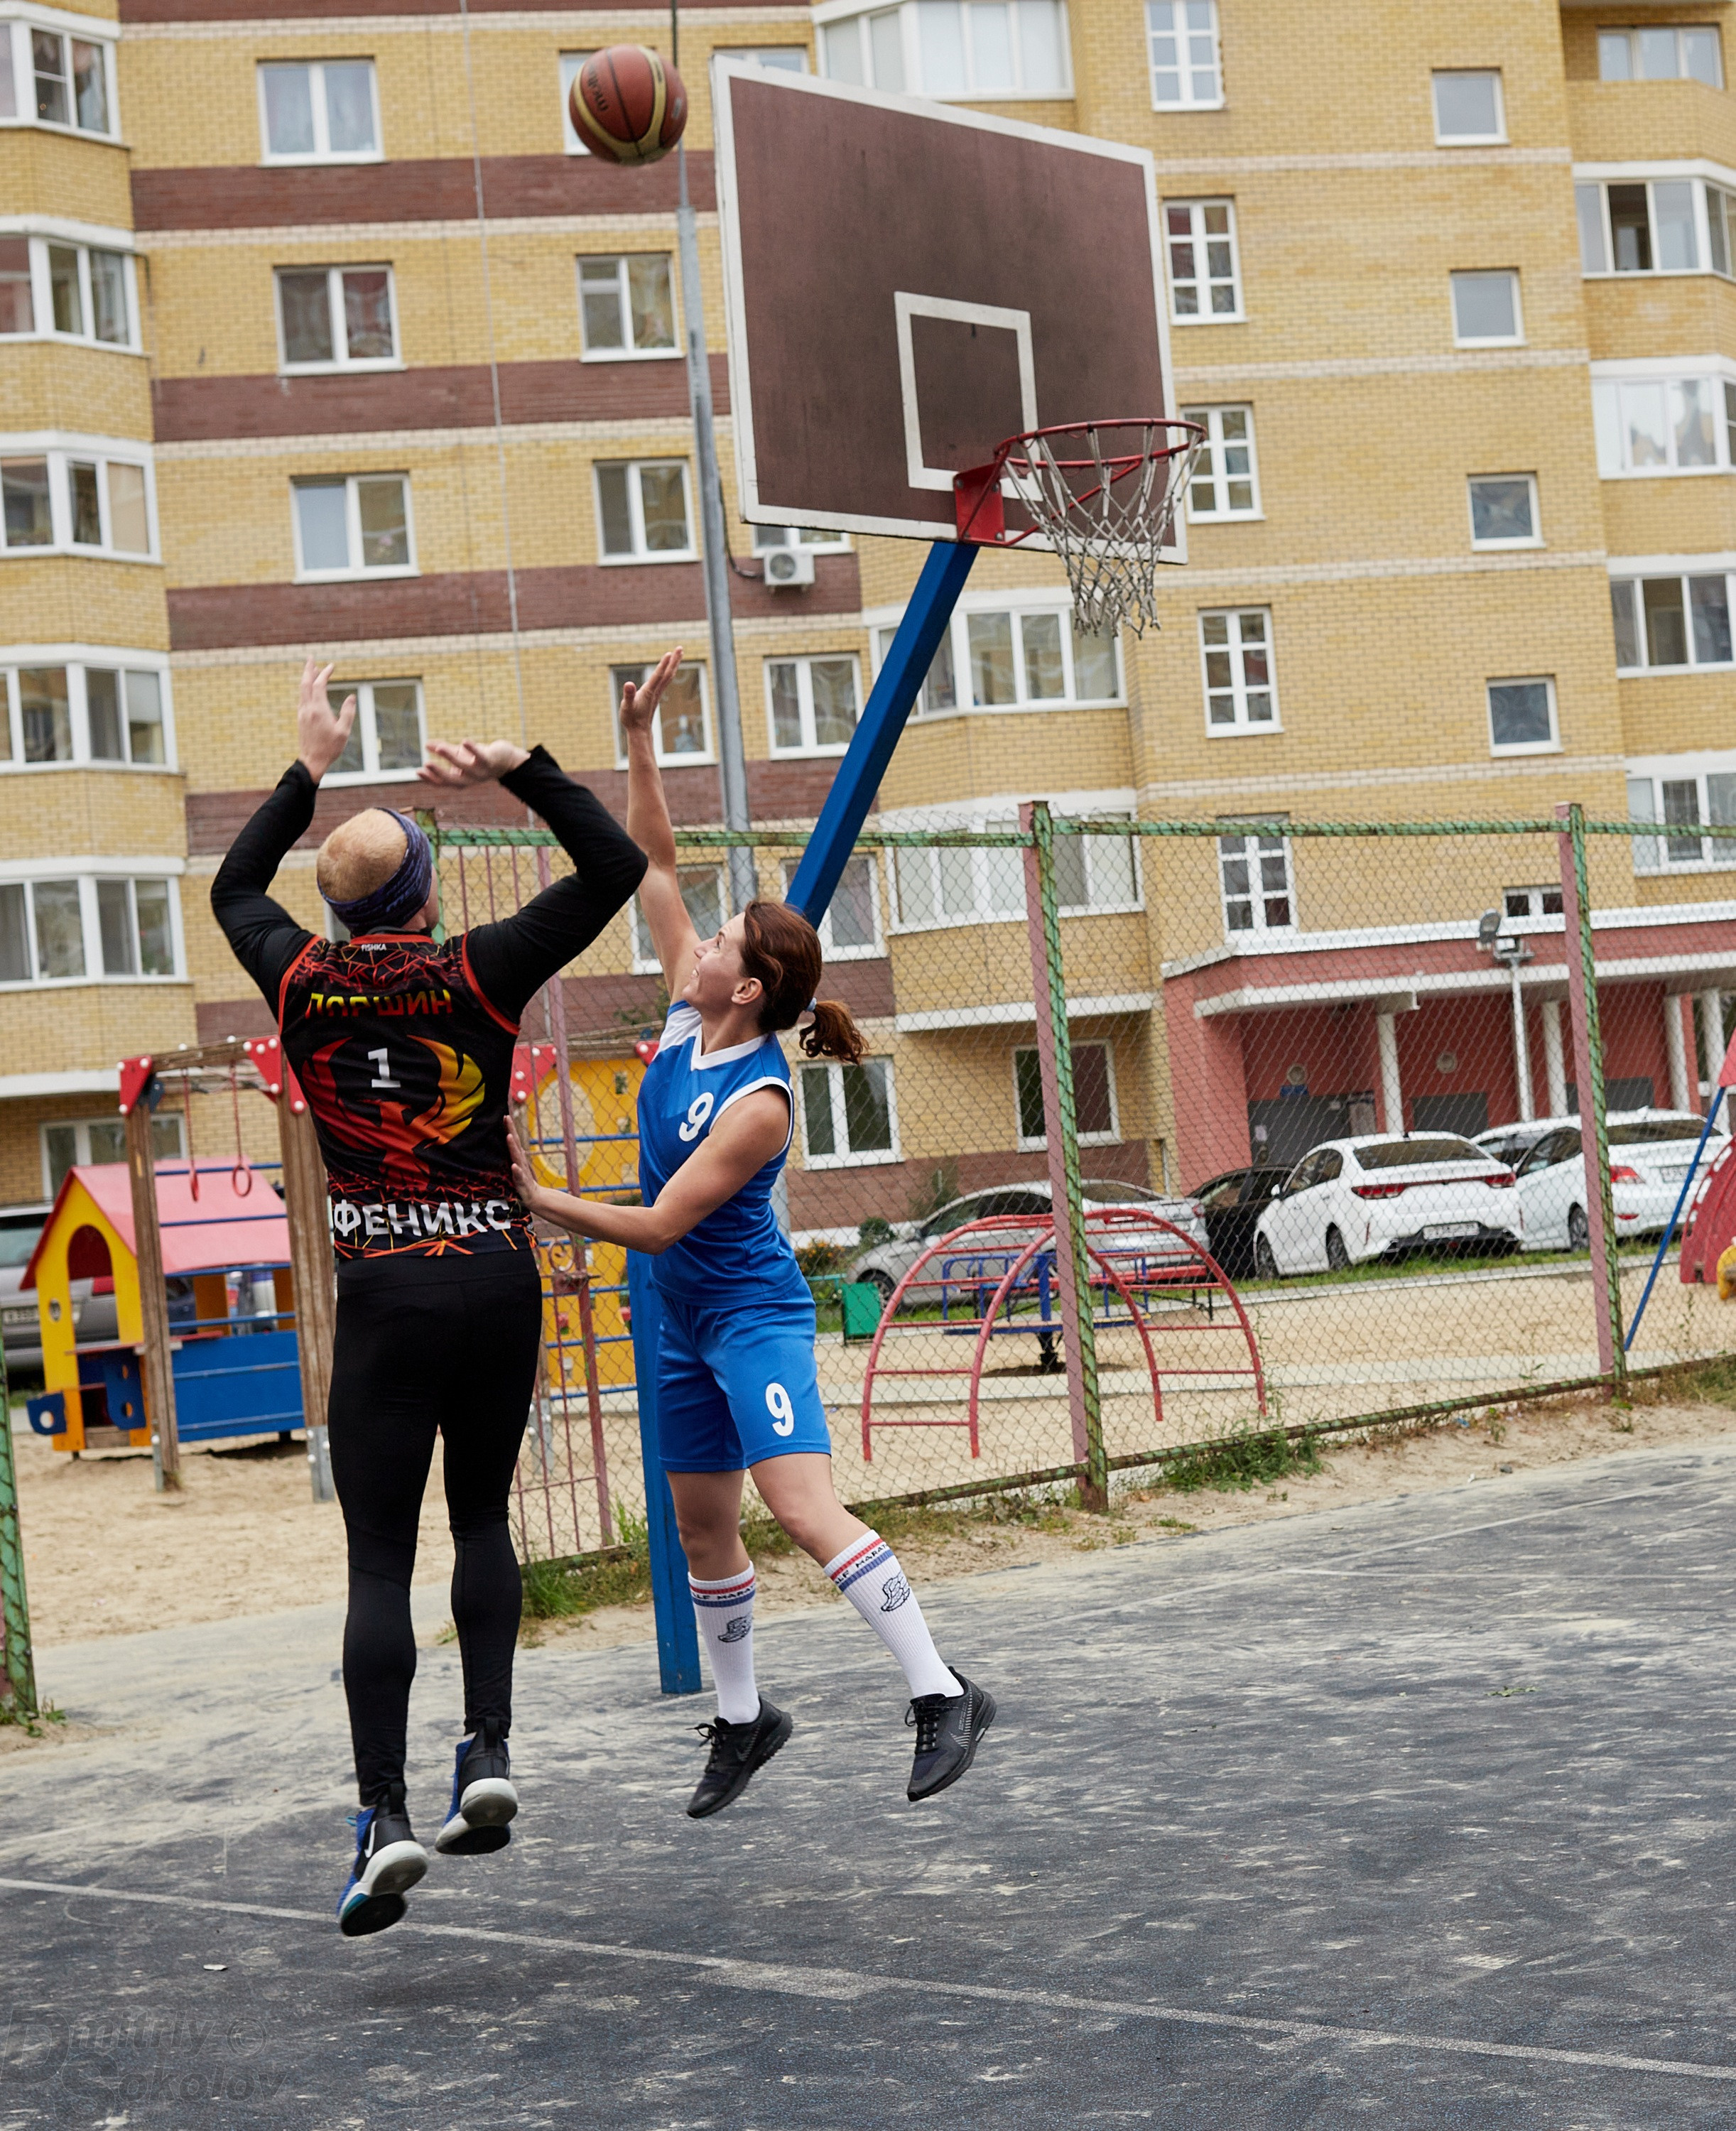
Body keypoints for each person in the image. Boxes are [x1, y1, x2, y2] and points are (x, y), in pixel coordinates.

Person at [507, 649, 995, 1818]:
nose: (702, 944)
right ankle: (742, 1719)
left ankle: (941, 1693)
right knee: (699, 1524)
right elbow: (655, 862)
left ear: (750, 987)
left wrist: (533, 1192)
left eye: (723, 943)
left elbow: (665, 1225)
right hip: (683, 1321)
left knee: (799, 1508)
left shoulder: (760, 1102)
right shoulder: (690, 1011)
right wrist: (637, 737)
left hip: (749, 1318)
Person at [212, 656, 649, 1936]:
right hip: (497, 1280)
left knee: (375, 1560)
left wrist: (305, 765)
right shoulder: (481, 972)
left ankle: (384, 1815)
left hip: (390, 1295)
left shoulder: (300, 980)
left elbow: (234, 885)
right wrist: (527, 771)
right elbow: (614, 872)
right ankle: (492, 1747)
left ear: (343, 912)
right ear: (421, 894)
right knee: (482, 1525)